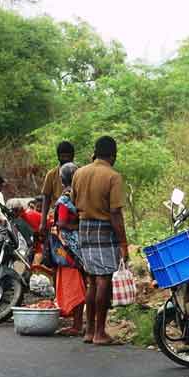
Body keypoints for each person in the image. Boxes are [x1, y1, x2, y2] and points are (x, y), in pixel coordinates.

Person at [71, 136, 128, 346]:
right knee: (104, 278)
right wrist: (123, 243)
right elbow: (115, 213)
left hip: (84, 228)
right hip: (104, 228)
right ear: (113, 155)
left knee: (92, 280)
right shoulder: (113, 176)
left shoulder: (79, 172)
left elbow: (74, 202)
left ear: (95, 152)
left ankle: (89, 330)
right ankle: (100, 333)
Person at [52, 162, 85, 337]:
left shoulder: (64, 199)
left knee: (73, 285)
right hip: (77, 246)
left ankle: (77, 324)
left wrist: (74, 225)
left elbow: (63, 222)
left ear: (61, 179)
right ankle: (78, 322)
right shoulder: (78, 196)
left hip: (66, 248)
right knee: (78, 283)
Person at [40, 141, 75, 236]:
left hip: (74, 217)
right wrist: (43, 223)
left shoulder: (79, 172)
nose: (66, 159)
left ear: (73, 156)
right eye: (63, 156)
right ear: (58, 157)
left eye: (68, 156)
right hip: (57, 216)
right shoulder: (51, 174)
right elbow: (46, 199)